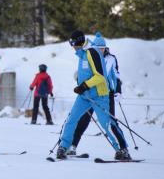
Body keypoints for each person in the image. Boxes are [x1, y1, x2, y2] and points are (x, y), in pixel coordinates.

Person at [55, 30, 129, 160]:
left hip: (99, 95)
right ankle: (63, 147)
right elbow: (87, 72)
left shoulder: (92, 52)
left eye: (72, 43)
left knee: (107, 124)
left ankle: (122, 149)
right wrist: (80, 82)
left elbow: (100, 76)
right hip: (84, 96)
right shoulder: (82, 54)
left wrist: (84, 86)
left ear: (78, 41)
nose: (72, 46)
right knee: (71, 119)